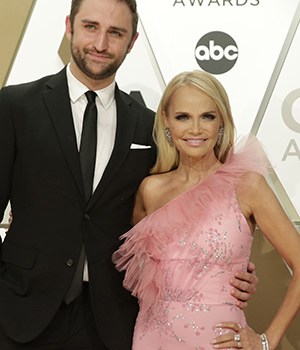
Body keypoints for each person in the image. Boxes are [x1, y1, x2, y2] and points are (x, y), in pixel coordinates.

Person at [0, 0, 257, 349]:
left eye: (116, 33)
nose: (101, 44)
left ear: (132, 41)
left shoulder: (149, 125)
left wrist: (232, 269)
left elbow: (184, 213)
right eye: (91, 27)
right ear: (69, 26)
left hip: (112, 320)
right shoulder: (16, 107)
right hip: (21, 312)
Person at [113, 70, 300, 349]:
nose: (196, 129)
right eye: (183, 117)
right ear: (166, 121)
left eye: (207, 116)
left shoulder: (247, 185)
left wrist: (266, 341)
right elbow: (141, 272)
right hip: (152, 338)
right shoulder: (150, 190)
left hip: (219, 341)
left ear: (221, 121)